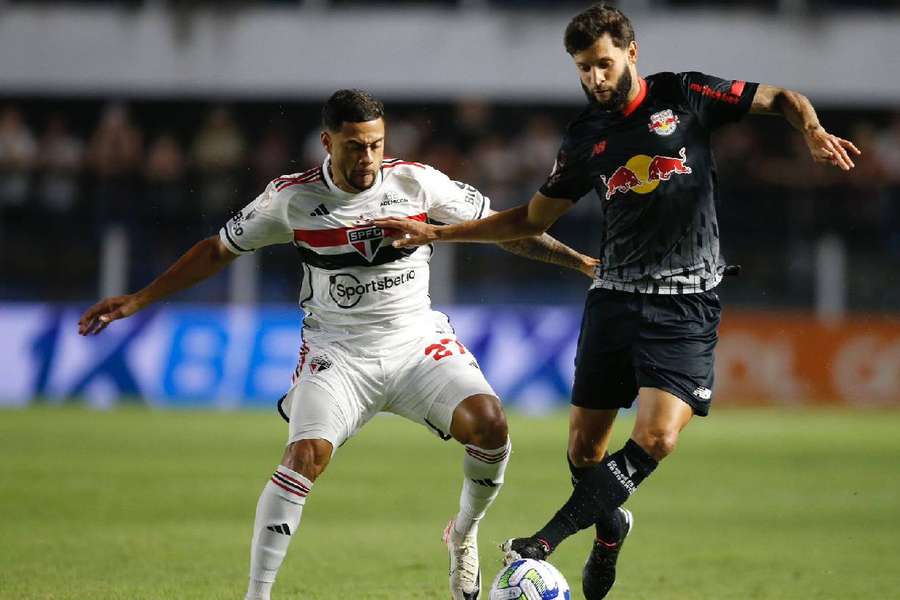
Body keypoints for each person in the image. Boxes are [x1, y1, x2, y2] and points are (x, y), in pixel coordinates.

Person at [375, 5, 861, 599]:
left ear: (632, 52)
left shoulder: (685, 95)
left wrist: (809, 128)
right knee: (584, 452)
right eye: (583, 69)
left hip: (686, 306)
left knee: (656, 439)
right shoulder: (586, 139)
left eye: (603, 63)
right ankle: (611, 530)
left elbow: (782, 97)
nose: (594, 79)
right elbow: (530, 220)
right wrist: (438, 233)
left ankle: (542, 542)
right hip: (613, 301)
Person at [77, 89, 597, 600]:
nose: (367, 157)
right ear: (327, 142)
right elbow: (218, 249)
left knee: (490, 424)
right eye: (354, 146)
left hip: (416, 341)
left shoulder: (416, 183)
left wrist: (583, 264)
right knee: (304, 455)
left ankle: (463, 533)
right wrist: (140, 299)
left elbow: (507, 229)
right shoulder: (291, 198)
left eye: (375, 144)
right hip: (338, 352)